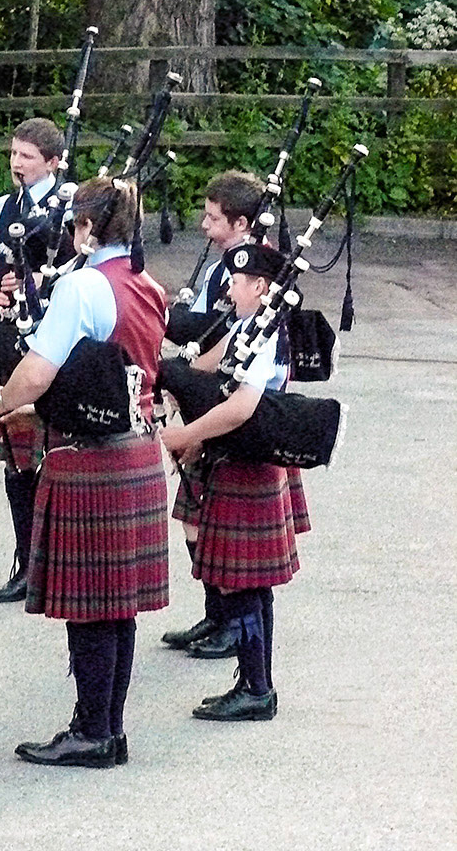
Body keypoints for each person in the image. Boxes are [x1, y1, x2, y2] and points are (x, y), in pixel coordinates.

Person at [0, 176, 169, 768]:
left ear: (85, 228)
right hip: (139, 451)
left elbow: (38, 372)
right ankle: (107, 729)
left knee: (91, 603)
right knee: (119, 605)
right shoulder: (149, 286)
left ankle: (92, 731)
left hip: (90, 456)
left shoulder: (83, 286)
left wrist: (0, 400)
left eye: (73, 225)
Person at [160, 241, 305, 722]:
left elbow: (243, 405)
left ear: (261, 287)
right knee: (249, 586)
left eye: (237, 282)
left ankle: (257, 687)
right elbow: (205, 367)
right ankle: (252, 681)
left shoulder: (267, 334)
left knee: (244, 585)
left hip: (248, 462)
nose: (229, 288)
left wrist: (188, 433)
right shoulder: (247, 325)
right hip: (236, 458)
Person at [0, 117, 71, 603]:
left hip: (56, 344)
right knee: (17, 460)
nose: (16, 163)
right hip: (10, 342)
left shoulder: (73, 209)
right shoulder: (0, 209)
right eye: (13, 154)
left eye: (26, 156)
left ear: (52, 162)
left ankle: (58, 565)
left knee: (57, 460)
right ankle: (27, 564)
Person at [161, 171, 261, 659]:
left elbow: (229, 339)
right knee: (194, 523)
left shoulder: (253, 275)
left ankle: (235, 631)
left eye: (213, 217)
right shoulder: (222, 268)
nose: (204, 224)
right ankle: (217, 615)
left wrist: (184, 376)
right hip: (207, 399)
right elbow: (204, 322)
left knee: (225, 538)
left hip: (227, 408)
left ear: (241, 223)